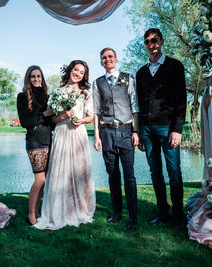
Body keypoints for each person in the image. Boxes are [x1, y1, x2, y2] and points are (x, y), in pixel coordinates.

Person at [34, 60, 96, 230]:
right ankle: (59, 209)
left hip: (78, 134)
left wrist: (81, 120)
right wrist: (64, 116)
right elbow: (52, 118)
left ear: (84, 76)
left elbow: (90, 116)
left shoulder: (85, 93)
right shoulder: (57, 92)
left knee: (78, 170)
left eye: (81, 72)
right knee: (61, 171)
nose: (78, 74)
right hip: (61, 133)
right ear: (70, 70)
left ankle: (80, 208)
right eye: (76, 70)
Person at [136, 28, 187, 229]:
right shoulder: (141, 73)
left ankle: (178, 214)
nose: (151, 44)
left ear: (162, 41)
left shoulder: (175, 66)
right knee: (155, 172)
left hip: (168, 128)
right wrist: (139, 131)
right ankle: (162, 211)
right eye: (147, 41)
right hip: (147, 131)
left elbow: (181, 99)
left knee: (174, 172)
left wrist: (178, 129)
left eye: (154, 40)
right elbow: (138, 104)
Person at [93, 48, 139, 231]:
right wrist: (97, 135)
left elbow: (135, 105)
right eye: (104, 57)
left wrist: (136, 131)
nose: (107, 60)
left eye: (110, 56)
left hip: (127, 131)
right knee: (112, 175)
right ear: (101, 62)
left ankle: (133, 216)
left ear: (116, 59)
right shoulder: (97, 83)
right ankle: (117, 212)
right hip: (107, 132)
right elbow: (96, 110)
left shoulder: (128, 77)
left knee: (129, 176)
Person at [17, 65, 53, 225]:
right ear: (28, 78)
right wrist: (44, 114)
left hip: (49, 139)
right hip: (34, 140)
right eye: (33, 76)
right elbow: (25, 122)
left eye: (39, 76)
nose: (36, 79)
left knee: (45, 180)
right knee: (39, 179)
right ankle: (31, 214)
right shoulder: (22, 96)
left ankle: (38, 211)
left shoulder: (47, 96)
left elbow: (51, 121)